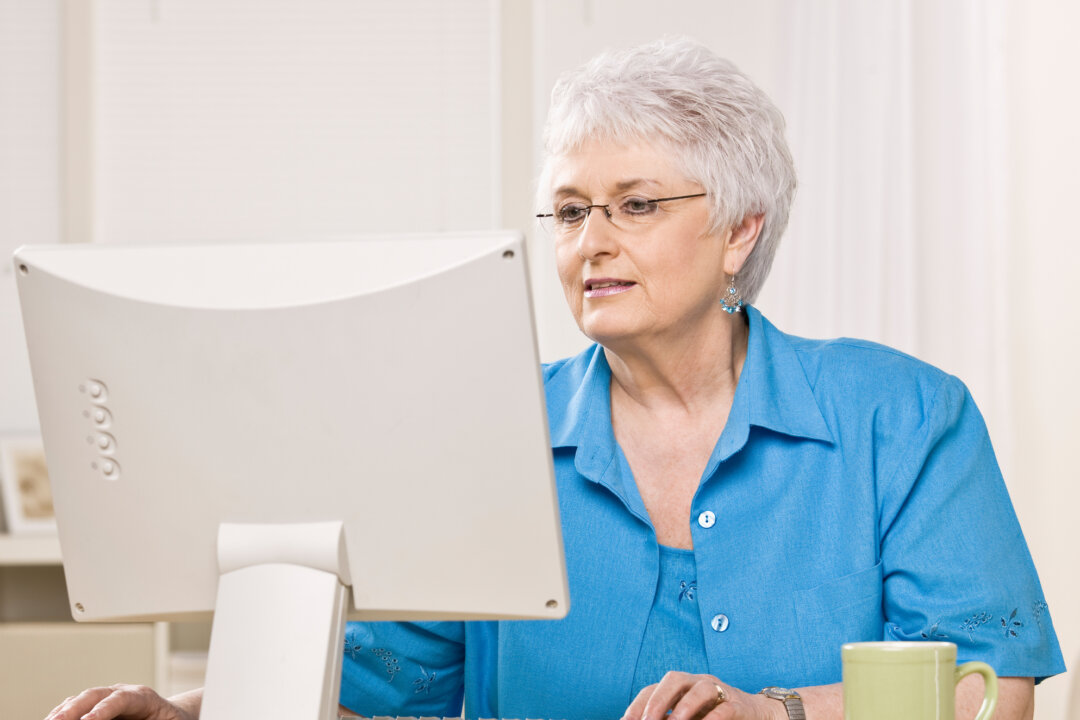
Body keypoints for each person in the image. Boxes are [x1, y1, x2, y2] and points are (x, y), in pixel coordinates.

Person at [46, 37, 1063, 720]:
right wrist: (194, 715)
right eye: (571, 212)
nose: (591, 243)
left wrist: (776, 713)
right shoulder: (484, 434)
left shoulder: (903, 417)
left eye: (636, 205)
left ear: (739, 231)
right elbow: (380, 697)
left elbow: (992, 689)